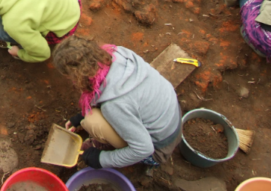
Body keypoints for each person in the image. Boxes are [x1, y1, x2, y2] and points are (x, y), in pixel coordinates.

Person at [54, 37, 182, 168]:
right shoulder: (117, 54)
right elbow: (109, 91)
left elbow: (144, 149)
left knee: (92, 120)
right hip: (173, 117)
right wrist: (81, 114)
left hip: (159, 149)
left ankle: (107, 145)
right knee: (96, 115)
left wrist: (101, 159)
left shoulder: (114, 105)